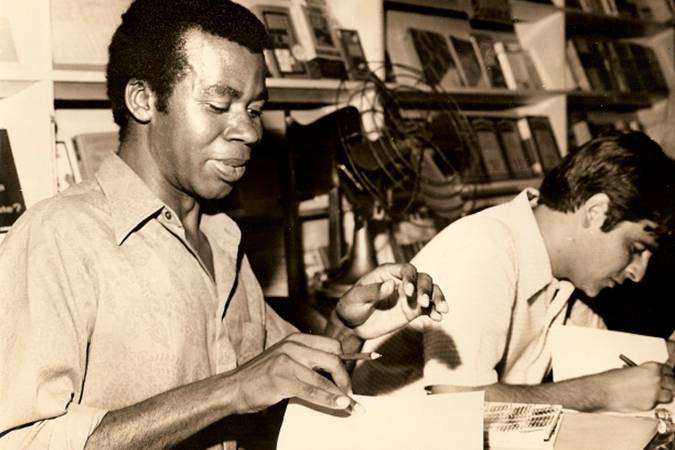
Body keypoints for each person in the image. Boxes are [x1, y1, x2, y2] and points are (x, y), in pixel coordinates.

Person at [0, 1, 448, 448]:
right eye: (219, 104)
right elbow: (24, 441)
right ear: (143, 100)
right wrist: (231, 389)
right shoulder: (58, 238)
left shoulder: (220, 235)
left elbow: (282, 379)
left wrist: (346, 328)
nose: (250, 132)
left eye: (253, 109)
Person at [354, 130, 675, 413]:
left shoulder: (557, 274)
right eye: (636, 248)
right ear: (595, 212)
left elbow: (613, 359)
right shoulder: (484, 246)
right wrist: (604, 392)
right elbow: (458, 401)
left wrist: (663, 359)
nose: (637, 272)